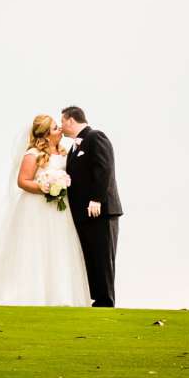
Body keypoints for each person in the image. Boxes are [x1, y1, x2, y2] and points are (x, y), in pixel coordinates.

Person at [0, 113, 90, 305]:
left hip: (59, 209)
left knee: (60, 247)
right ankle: (32, 294)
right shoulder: (33, 154)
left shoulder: (64, 153)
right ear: (44, 135)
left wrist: (60, 186)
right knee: (36, 248)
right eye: (54, 128)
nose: (59, 129)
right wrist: (45, 187)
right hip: (36, 208)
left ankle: (60, 295)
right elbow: (23, 181)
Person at [60, 105, 122, 307]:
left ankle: (106, 300)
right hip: (83, 214)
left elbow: (104, 168)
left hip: (101, 211)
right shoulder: (73, 148)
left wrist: (96, 199)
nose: (61, 126)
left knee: (103, 257)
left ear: (70, 120)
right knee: (90, 256)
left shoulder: (96, 137)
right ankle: (97, 299)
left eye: (62, 121)